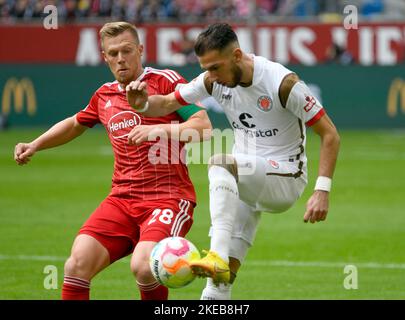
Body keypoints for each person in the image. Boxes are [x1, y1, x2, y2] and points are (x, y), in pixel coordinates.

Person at [125, 23, 340, 300]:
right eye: (205, 68)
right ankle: (219, 265)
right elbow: (167, 103)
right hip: (245, 178)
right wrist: (141, 104)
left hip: (286, 177)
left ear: (237, 56)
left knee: (220, 162)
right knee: (218, 284)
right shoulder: (212, 80)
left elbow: (330, 134)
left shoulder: (282, 83)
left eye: (215, 67)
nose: (210, 75)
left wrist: (322, 190)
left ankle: (215, 254)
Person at [13, 21, 212, 300]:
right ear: (105, 57)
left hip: (167, 197)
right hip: (121, 199)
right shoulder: (104, 95)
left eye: (127, 50)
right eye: (113, 53)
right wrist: (35, 144)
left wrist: (158, 129)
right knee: (76, 265)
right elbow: (75, 124)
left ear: (140, 50)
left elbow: (203, 127)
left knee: (144, 267)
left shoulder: (165, 81)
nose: (121, 58)